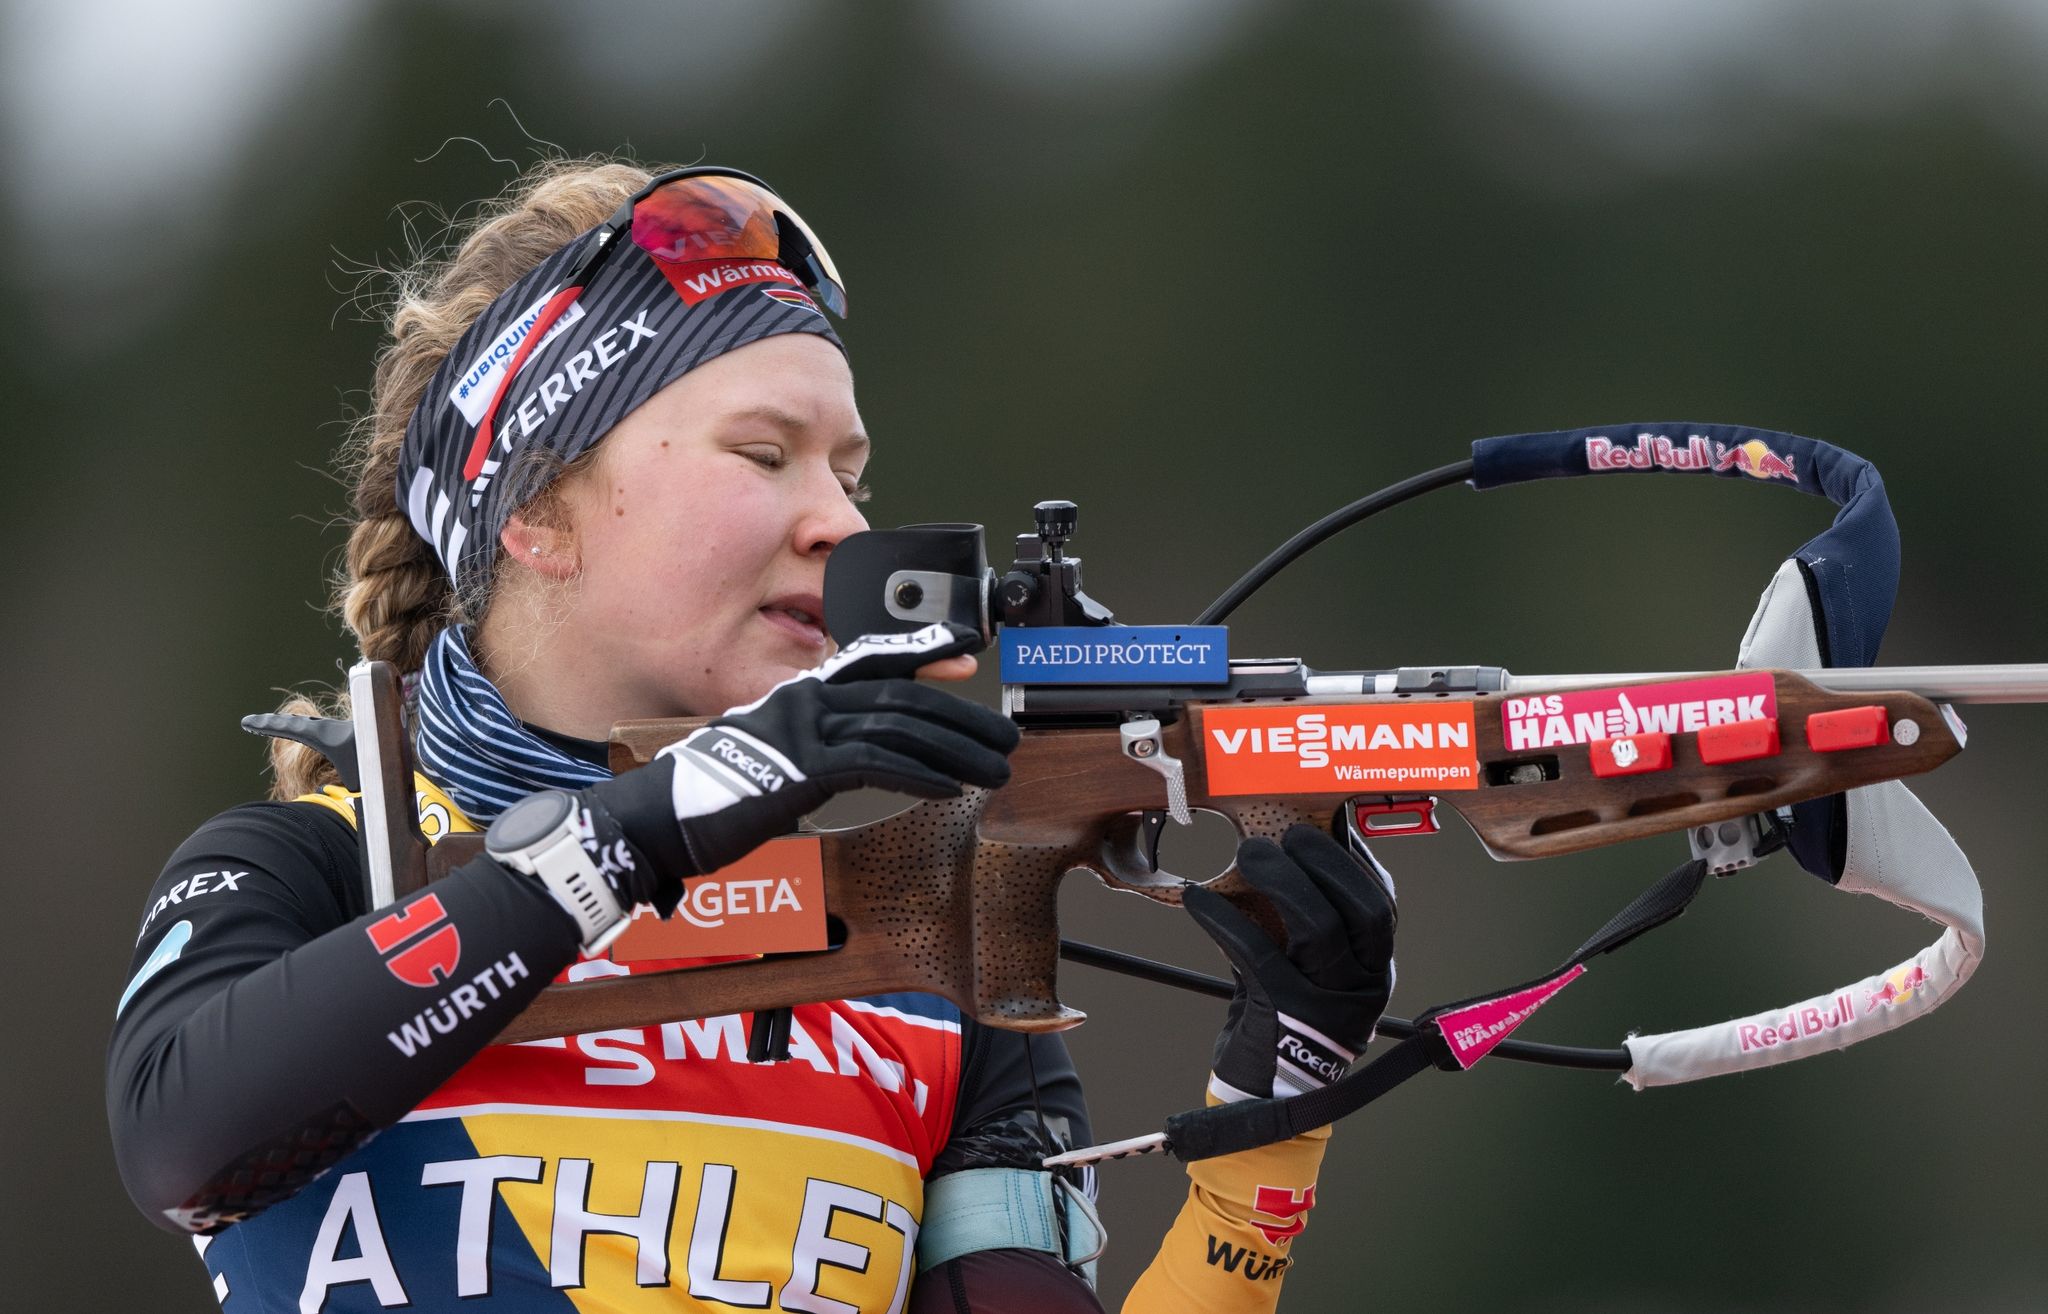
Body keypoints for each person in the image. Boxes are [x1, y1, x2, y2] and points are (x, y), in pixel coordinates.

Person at [106, 158, 1397, 1313]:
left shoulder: (912, 949)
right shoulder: (322, 871)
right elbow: (180, 1142)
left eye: (852, 473)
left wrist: (1273, 1115)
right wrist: (655, 823)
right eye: (767, 452)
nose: (840, 519)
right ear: (537, 511)